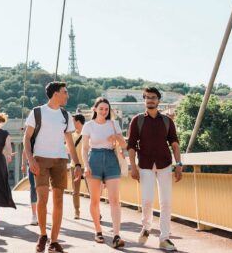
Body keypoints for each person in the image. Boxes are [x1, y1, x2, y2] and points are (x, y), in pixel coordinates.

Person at [23, 81, 82, 253]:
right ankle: (42, 235)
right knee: (43, 199)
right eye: (65, 92)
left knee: (58, 200)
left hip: (60, 161)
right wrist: (31, 160)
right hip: (40, 159)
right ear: (56, 93)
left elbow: (70, 143)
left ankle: (54, 241)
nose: (67, 95)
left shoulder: (65, 115)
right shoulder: (37, 112)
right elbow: (26, 138)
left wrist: (77, 163)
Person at [127, 87, 182, 251]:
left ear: (158, 100)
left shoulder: (167, 121)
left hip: (165, 164)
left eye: (153, 97)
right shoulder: (137, 120)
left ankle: (164, 238)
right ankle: (146, 227)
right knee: (147, 199)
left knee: (166, 202)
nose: (150, 100)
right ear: (144, 100)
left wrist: (179, 165)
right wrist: (132, 166)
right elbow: (131, 145)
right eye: (147, 97)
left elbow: (174, 144)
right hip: (144, 165)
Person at [82, 97, 127, 248]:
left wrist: (116, 137)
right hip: (94, 159)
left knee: (115, 199)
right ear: (94, 109)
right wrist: (86, 165)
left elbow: (124, 144)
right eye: (101, 108)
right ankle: (98, 231)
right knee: (95, 200)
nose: (104, 111)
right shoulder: (88, 126)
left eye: (106, 109)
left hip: (110, 159)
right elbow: (84, 148)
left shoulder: (113, 124)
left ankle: (116, 235)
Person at [70, 113, 88, 220]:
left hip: (86, 166)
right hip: (74, 166)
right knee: (75, 191)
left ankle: (96, 212)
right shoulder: (72, 136)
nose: (72, 123)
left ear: (77, 121)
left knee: (92, 190)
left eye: (73, 121)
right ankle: (77, 211)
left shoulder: (87, 134)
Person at [21, 145, 38, 225]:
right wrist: (23, 164)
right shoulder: (29, 134)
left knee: (42, 189)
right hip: (31, 165)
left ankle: (41, 213)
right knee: (33, 188)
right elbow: (25, 150)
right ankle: (34, 215)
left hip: (43, 164)